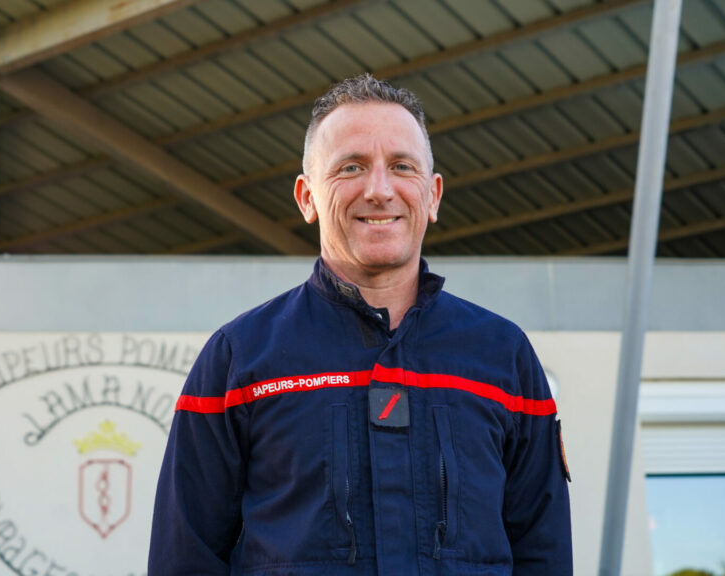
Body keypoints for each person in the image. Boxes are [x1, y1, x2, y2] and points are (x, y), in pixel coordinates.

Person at [148, 74, 572, 575]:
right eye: (351, 167)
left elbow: (543, 553)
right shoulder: (238, 359)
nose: (379, 190)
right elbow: (185, 558)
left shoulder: (504, 355)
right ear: (307, 197)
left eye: (401, 166)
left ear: (432, 196)